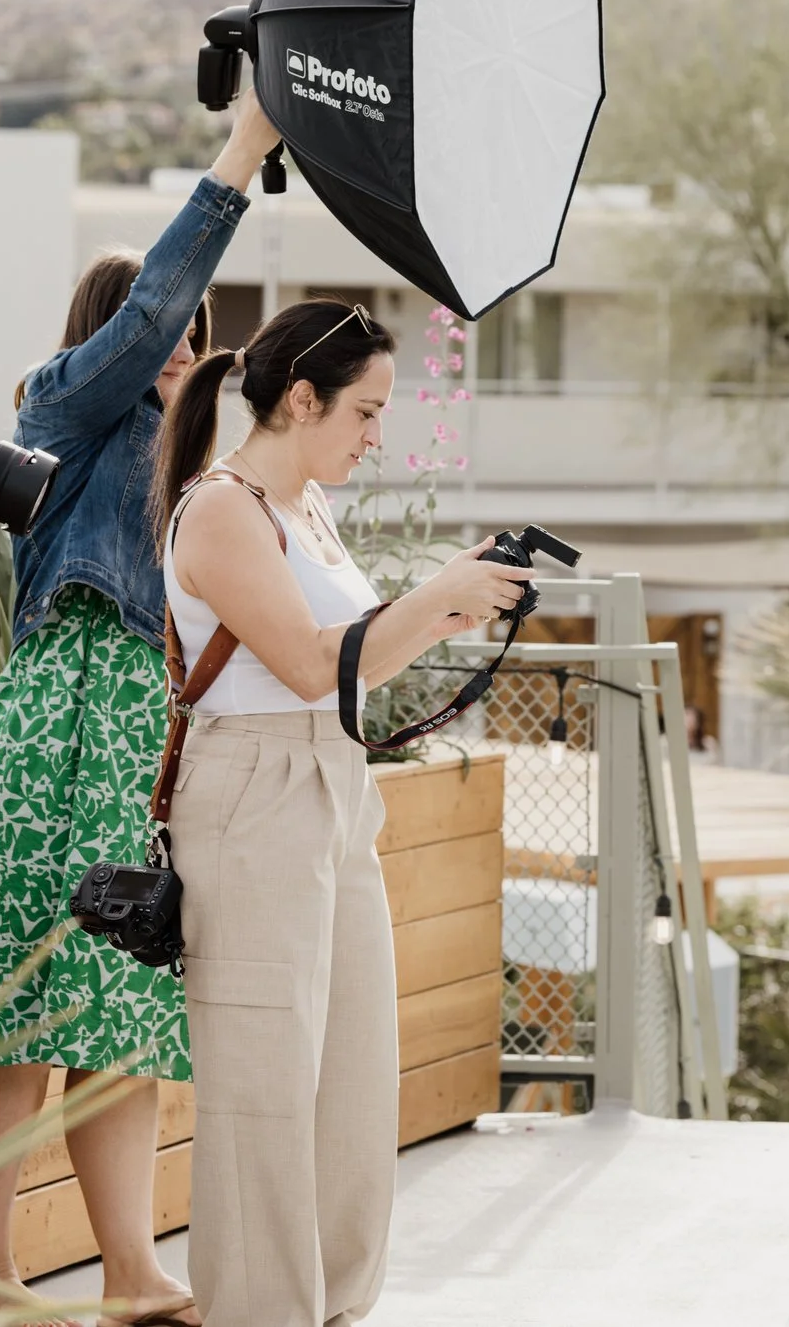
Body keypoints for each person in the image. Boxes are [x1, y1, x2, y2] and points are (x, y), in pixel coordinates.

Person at [0, 89, 279, 1326]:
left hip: (136, 741)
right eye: (169, 332)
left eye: (198, 337)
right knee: (21, 1009)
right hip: (52, 729)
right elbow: (148, 316)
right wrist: (240, 160)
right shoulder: (68, 405)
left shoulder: (193, 466)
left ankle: (130, 1271)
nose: (185, 348)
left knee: (123, 1016)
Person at [154, 298, 531, 1327]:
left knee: (354, 1078)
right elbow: (311, 661)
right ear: (302, 399)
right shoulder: (224, 507)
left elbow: (351, 675)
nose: (376, 436)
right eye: (364, 412)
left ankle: (333, 1304)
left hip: (331, 787)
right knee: (263, 1090)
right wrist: (435, 592)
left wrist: (460, 600)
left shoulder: (309, 508)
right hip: (252, 797)